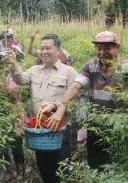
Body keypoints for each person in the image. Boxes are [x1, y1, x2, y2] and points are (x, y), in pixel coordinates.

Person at [50, 31, 128, 169]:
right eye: (99, 48)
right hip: (95, 126)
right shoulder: (91, 66)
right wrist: (61, 109)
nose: (102, 52)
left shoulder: (125, 67)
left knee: (118, 165)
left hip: (119, 127)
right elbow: (75, 86)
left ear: (117, 48)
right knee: (95, 164)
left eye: (107, 48)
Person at [8, 33, 77, 183]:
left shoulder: (68, 72)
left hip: (60, 128)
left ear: (58, 50)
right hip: (40, 129)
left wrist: (56, 105)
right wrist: (13, 63)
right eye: (41, 48)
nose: (44, 51)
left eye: (48, 48)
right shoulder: (34, 70)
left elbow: (75, 100)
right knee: (45, 170)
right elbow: (20, 79)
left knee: (62, 170)